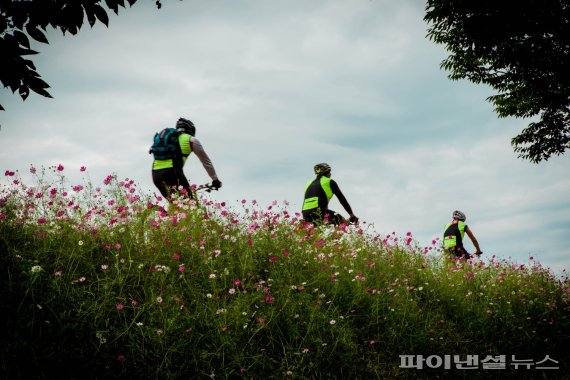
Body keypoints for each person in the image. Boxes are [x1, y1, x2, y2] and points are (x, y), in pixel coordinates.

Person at [151, 117, 221, 200]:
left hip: (156, 175)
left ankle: (163, 212)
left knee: (176, 204)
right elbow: (206, 162)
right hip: (172, 173)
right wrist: (215, 179)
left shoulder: (170, 139)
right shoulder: (191, 139)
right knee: (190, 204)